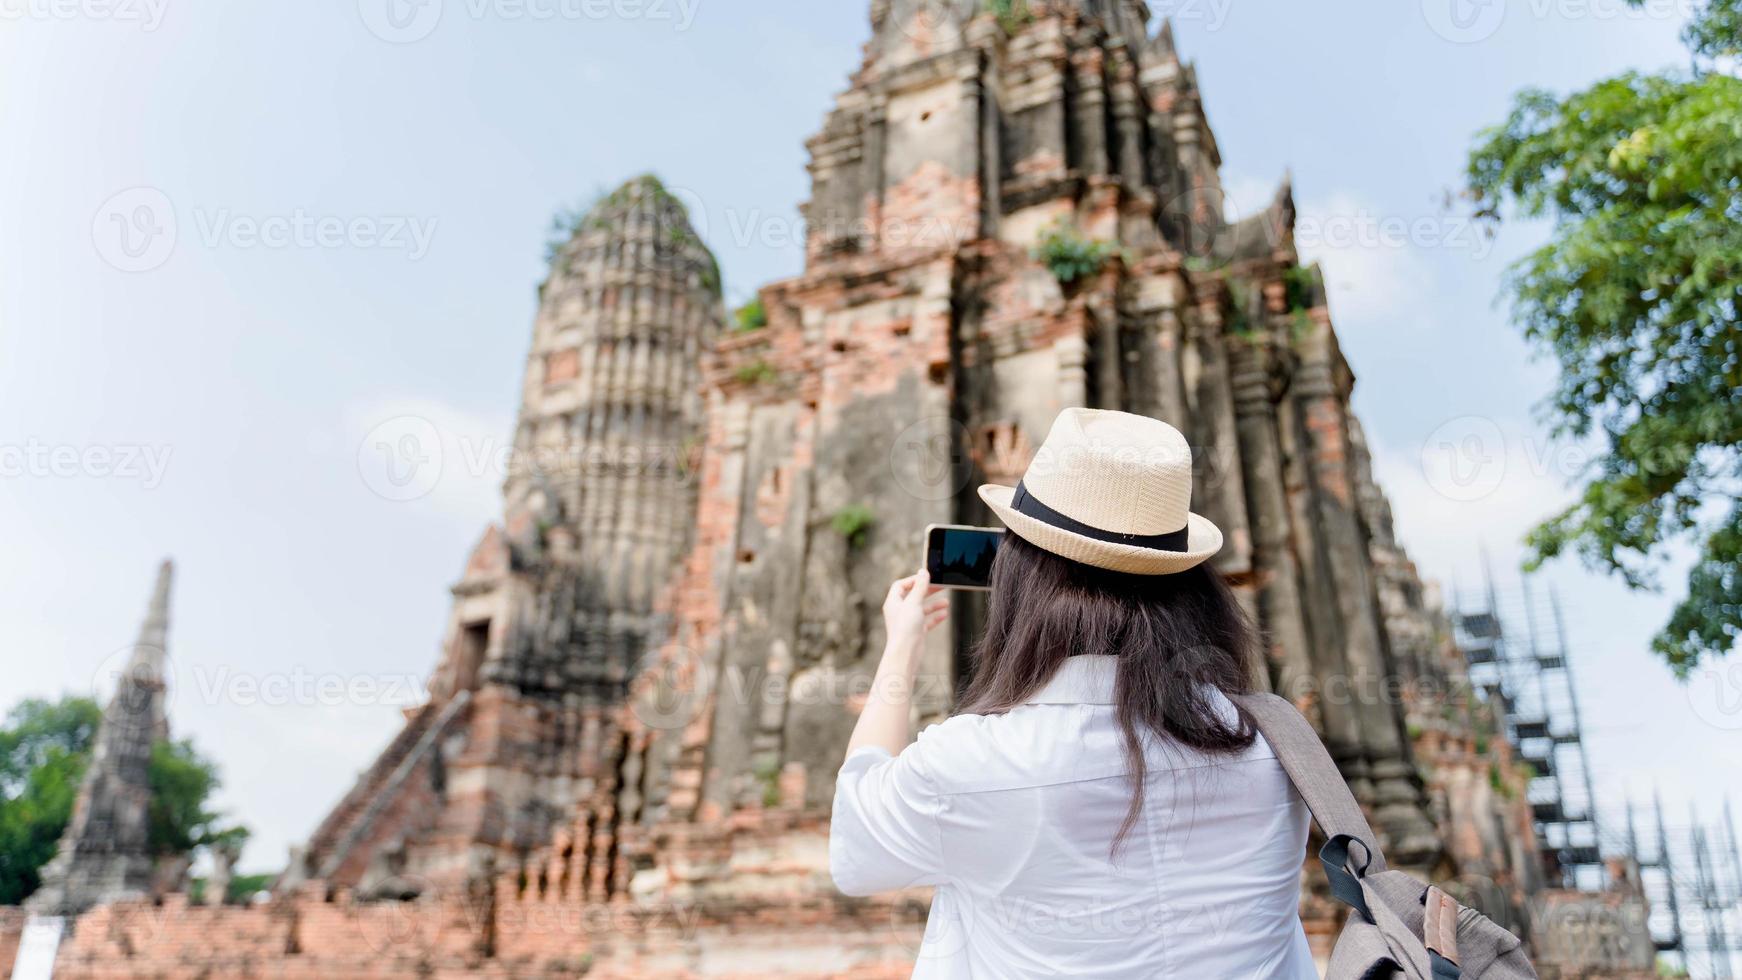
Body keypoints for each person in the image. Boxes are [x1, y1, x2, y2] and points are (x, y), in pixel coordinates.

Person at [829, 408, 1317, 979]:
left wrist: (901, 648)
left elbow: (855, 847)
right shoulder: (1274, 749)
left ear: (1021, 582)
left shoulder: (974, 762)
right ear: (1191, 588)